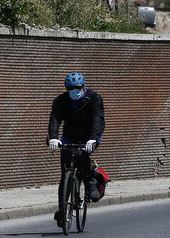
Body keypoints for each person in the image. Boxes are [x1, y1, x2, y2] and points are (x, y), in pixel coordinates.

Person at [48, 72, 105, 227]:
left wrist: (94, 138)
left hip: (89, 137)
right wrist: (53, 137)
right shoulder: (61, 101)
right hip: (69, 138)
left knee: (81, 154)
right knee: (65, 172)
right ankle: (61, 210)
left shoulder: (93, 99)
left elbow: (98, 119)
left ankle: (89, 182)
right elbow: (55, 118)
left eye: (78, 87)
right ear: (67, 89)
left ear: (83, 87)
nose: (75, 90)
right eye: (71, 88)